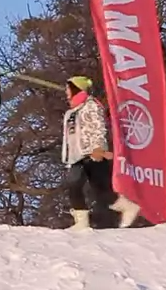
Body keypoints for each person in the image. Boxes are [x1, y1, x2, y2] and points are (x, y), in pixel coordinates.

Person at [61, 76, 140, 229]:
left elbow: (98, 127)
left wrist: (98, 148)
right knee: (73, 184)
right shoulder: (72, 111)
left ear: (76, 88)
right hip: (77, 156)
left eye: (68, 88)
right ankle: (81, 222)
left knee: (102, 191)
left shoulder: (91, 105)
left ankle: (128, 207)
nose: (66, 92)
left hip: (92, 153)